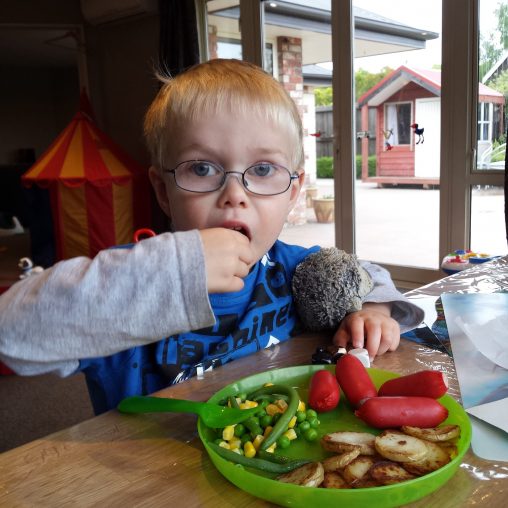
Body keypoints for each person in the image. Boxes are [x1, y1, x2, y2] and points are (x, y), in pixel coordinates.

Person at [0, 59, 423, 414]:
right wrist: (174, 273)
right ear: (163, 191)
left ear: (292, 193)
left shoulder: (292, 269)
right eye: (202, 169)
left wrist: (374, 310)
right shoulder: (134, 280)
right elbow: (11, 334)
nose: (234, 195)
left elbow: (366, 274)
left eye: (262, 170)